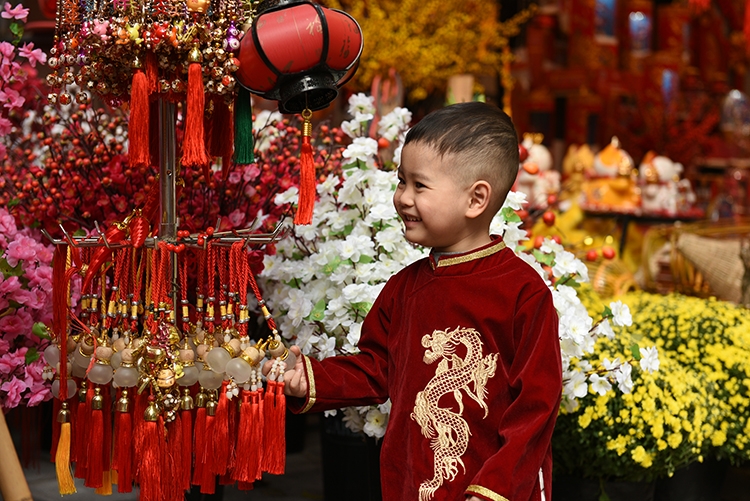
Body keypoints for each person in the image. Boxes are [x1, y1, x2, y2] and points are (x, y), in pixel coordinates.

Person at [272, 102, 562, 501]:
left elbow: (537, 408)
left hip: (489, 489)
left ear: (476, 199)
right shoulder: (404, 288)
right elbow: (376, 369)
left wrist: (493, 489)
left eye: (419, 185)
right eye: (400, 181)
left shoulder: (523, 294)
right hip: (408, 481)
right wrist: (310, 378)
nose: (403, 198)